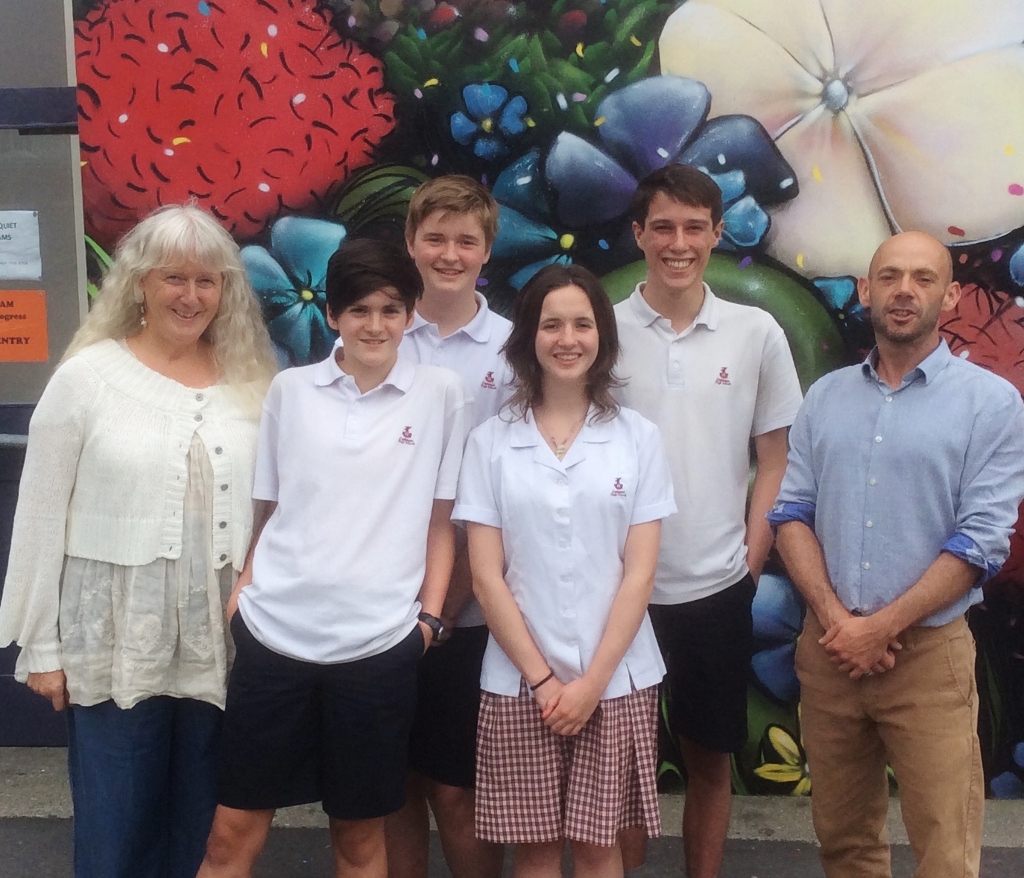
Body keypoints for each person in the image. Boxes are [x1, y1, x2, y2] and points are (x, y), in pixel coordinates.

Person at [0, 204, 278, 878]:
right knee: (117, 827)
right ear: (139, 285)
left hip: (221, 640)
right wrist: (41, 646)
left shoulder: (252, 382)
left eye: (207, 281)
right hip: (118, 642)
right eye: (172, 278)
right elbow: (38, 514)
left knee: (203, 824)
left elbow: (276, 510)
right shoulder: (88, 378)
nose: (190, 296)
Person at [197, 237, 467, 878]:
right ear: (335, 315)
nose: (375, 325)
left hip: (377, 650)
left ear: (409, 315)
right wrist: (243, 593)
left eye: (391, 310)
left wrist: (426, 622)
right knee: (229, 837)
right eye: (360, 309)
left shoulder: (441, 394)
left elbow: (441, 522)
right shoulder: (291, 391)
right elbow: (270, 512)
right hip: (273, 638)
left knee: (358, 841)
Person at [768, 231, 1024, 878]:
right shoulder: (824, 398)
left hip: (927, 661)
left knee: (946, 853)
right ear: (866, 290)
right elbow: (790, 514)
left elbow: (980, 542)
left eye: (922, 277)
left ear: (951, 294)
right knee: (845, 846)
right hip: (830, 654)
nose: (904, 290)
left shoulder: (990, 405)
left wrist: (880, 628)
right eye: (889, 276)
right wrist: (836, 621)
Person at [454, 263, 676, 878]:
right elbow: (486, 578)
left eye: (582, 323)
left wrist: (590, 684)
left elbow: (639, 575)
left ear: (602, 335)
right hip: (522, 676)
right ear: (528, 337)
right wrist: (547, 682)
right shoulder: (491, 443)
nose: (567, 338)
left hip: (617, 675)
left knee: (602, 846)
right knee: (536, 849)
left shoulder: (638, 439)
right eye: (552, 324)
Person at [612, 163, 803, 876]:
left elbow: (775, 458)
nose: (679, 242)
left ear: (718, 234)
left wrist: (752, 560)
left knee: (709, 760)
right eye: (663, 226)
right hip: (617, 590)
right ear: (639, 233)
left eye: (695, 227)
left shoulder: (755, 333)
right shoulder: (602, 329)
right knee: (626, 772)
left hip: (716, 587)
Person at [386, 175, 512, 878]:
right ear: (411, 244)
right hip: (381, 599)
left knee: (457, 792)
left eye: (466, 240)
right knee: (394, 788)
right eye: (434, 237)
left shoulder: (512, 350)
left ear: (486, 250)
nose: (449, 253)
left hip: (468, 609)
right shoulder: (378, 332)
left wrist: (449, 602)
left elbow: (507, 491)